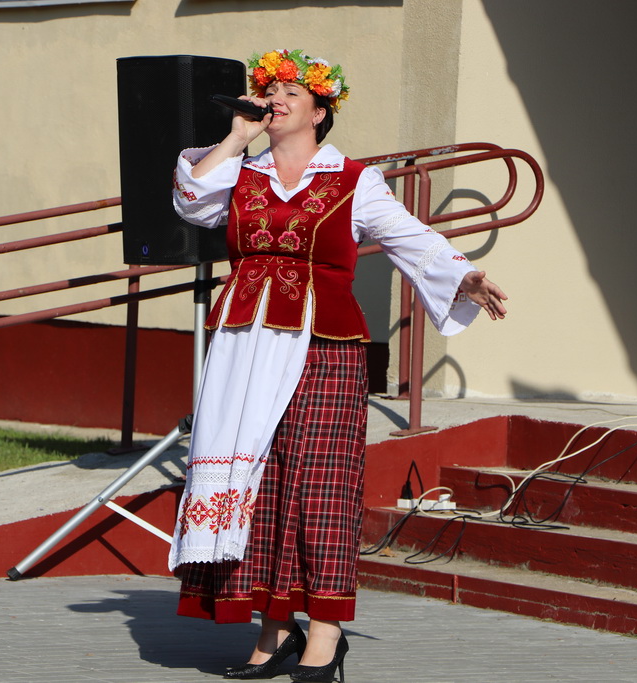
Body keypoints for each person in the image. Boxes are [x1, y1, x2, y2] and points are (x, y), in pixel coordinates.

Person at [167, 49, 507, 682]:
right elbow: (191, 203)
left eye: (291, 92)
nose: (275, 99)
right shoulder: (240, 171)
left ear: (320, 111)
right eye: (269, 90)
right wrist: (237, 136)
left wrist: (463, 275)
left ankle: (325, 630)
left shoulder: (353, 179)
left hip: (323, 344)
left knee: (320, 483)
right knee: (261, 481)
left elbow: (408, 236)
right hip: (245, 343)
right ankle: (273, 629)